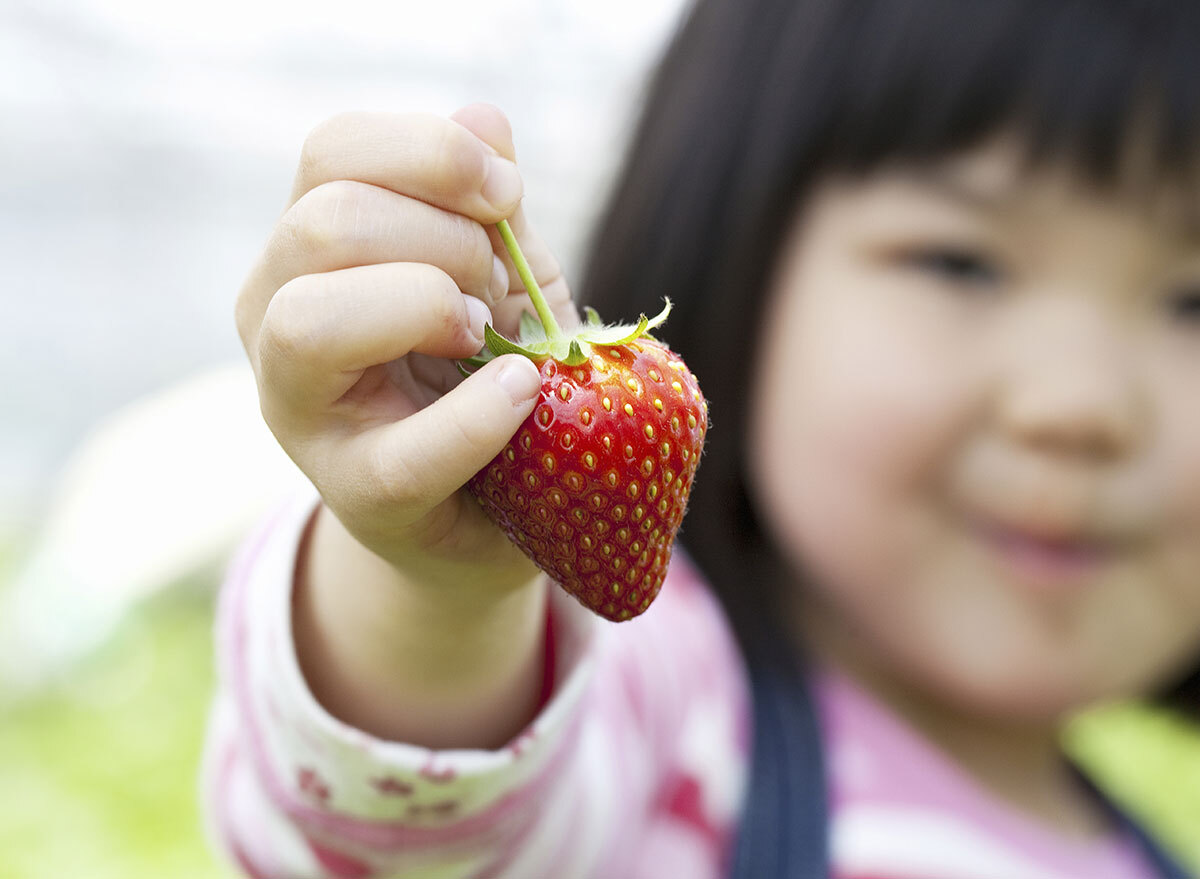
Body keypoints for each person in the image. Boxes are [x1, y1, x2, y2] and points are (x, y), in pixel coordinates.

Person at [203, 0, 1200, 875]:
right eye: (962, 265)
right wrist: (444, 597)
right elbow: (413, 841)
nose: (1080, 407)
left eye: (1193, 303)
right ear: (743, 253)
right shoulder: (667, 709)